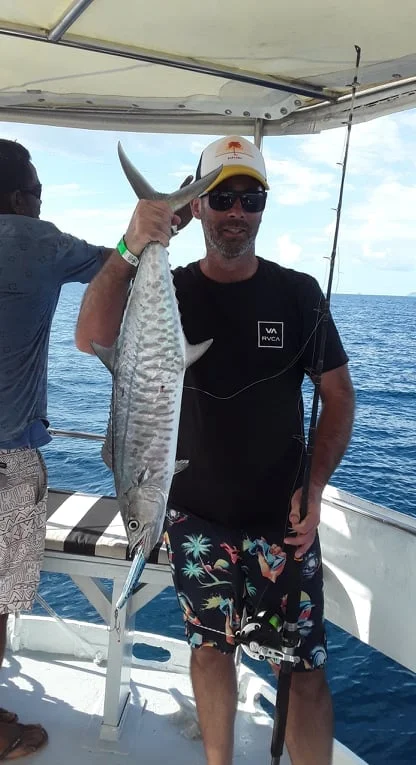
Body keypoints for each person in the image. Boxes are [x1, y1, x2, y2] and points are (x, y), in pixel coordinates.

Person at [76, 135, 355, 765]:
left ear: (263, 207)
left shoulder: (298, 293)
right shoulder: (171, 285)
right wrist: (132, 245)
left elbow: (338, 397)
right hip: (195, 521)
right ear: (197, 206)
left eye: (251, 199)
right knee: (208, 652)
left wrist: (313, 490)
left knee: (303, 671)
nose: (237, 211)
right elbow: (89, 336)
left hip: (282, 525)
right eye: (222, 197)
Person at [0, 138, 115, 759]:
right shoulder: (35, 240)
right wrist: (156, 226)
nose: (41, 203)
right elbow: (118, 263)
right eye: (37, 192)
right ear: (19, 197)